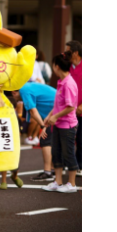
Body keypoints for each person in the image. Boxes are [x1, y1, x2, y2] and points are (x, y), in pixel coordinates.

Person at [41, 51, 79, 193]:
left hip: (67, 125)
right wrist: (50, 115)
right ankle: (58, 181)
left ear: (56, 66)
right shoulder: (61, 81)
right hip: (58, 124)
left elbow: (71, 107)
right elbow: (58, 104)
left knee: (68, 153)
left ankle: (72, 184)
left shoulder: (68, 84)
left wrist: (55, 117)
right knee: (56, 152)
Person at [12, 82, 56, 181]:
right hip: (54, 108)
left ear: (14, 92)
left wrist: (42, 126)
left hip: (55, 109)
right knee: (52, 141)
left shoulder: (24, 90)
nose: (17, 101)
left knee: (45, 140)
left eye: (15, 99)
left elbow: (33, 111)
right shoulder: (27, 86)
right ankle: (52, 169)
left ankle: (48, 172)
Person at [0, 96, 24, 190]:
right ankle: (3, 181)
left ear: (15, 108)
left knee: (15, 164)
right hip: (4, 140)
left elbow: (20, 132)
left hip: (14, 143)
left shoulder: (16, 117)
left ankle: (14, 176)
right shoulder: (0, 116)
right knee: (4, 161)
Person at [66, 40, 82, 177]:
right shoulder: (67, 67)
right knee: (69, 138)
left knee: (81, 138)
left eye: (68, 51)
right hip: (69, 110)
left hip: (81, 109)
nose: (66, 54)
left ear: (76, 52)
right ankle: (72, 164)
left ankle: (80, 165)